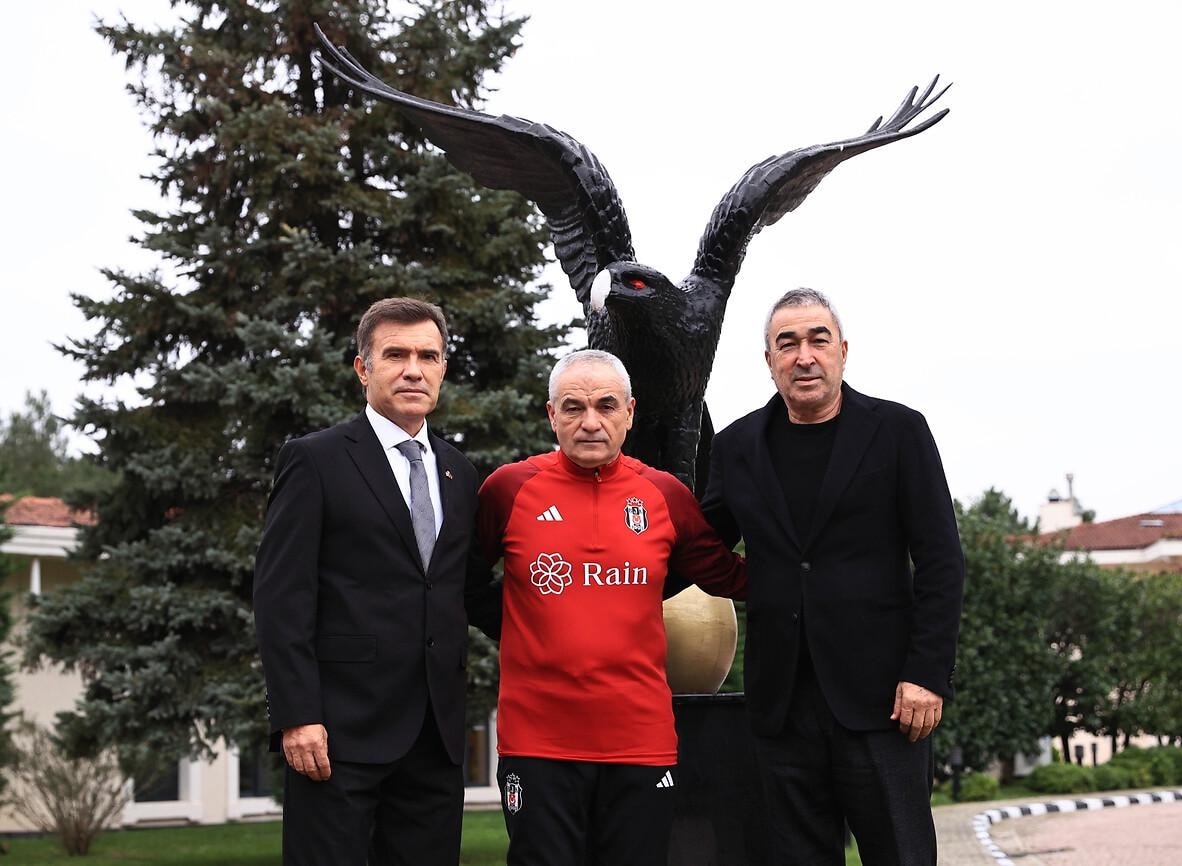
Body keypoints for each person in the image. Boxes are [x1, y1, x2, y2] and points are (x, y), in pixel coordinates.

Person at [701, 288, 965, 866]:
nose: (804, 356)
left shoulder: (899, 431)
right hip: (781, 708)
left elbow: (942, 561)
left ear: (842, 351)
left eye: (818, 340)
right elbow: (698, 544)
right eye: (787, 343)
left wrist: (927, 674)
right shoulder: (737, 446)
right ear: (768, 360)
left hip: (886, 703)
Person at [475, 348, 745, 866]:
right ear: (552, 414)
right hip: (538, 743)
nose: (590, 422)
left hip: (640, 742)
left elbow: (725, 574)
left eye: (606, 405)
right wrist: (522, 625)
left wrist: (820, 573)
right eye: (573, 407)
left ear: (629, 412)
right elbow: (459, 583)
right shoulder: (508, 489)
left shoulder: (664, 495)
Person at [253, 297, 497, 866]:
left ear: (442, 369)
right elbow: (282, 595)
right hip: (337, 734)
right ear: (363, 369)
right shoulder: (315, 460)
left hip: (435, 737)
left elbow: (467, 590)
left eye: (428, 356)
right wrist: (297, 714)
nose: (414, 370)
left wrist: (581, 620)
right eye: (396, 355)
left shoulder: (460, 473)